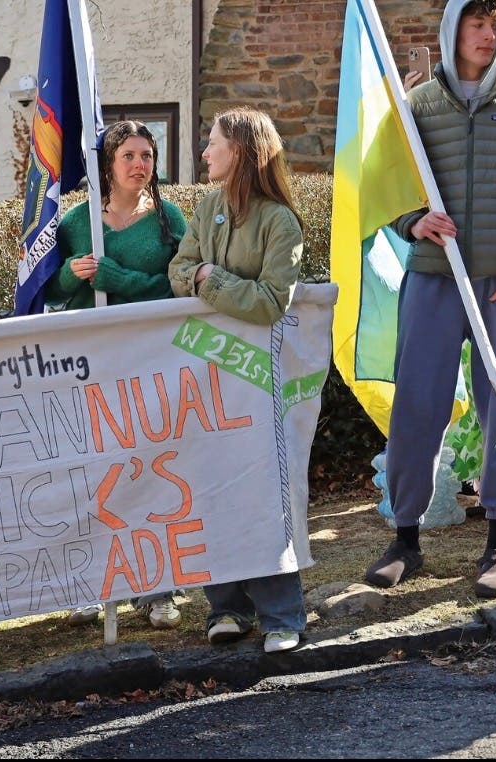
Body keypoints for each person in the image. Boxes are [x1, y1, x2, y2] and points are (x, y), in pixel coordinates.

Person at [365, 0, 496, 599]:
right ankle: (405, 539)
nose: (487, 33)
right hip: (433, 277)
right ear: (453, 29)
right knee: (417, 403)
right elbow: (382, 183)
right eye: (476, 22)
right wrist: (410, 221)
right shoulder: (416, 106)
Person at [167, 107, 306, 654]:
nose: (205, 152)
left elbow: (271, 302)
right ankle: (226, 608)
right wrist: (202, 278)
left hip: (261, 381)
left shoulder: (280, 222)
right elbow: (180, 270)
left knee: (265, 493)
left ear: (241, 150)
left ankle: (282, 617)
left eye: (214, 142)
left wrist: (210, 278)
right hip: (209, 377)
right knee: (213, 487)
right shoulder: (206, 209)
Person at [43, 119, 189, 630]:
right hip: (91, 361)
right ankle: (90, 582)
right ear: (108, 163)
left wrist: (117, 278)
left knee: (152, 469)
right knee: (91, 471)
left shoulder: (171, 220)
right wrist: (70, 274)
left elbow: (180, 290)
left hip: (151, 359)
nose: (139, 165)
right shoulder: (76, 223)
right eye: (128, 155)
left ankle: (159, 588)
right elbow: (50, 292)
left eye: (147, 155)